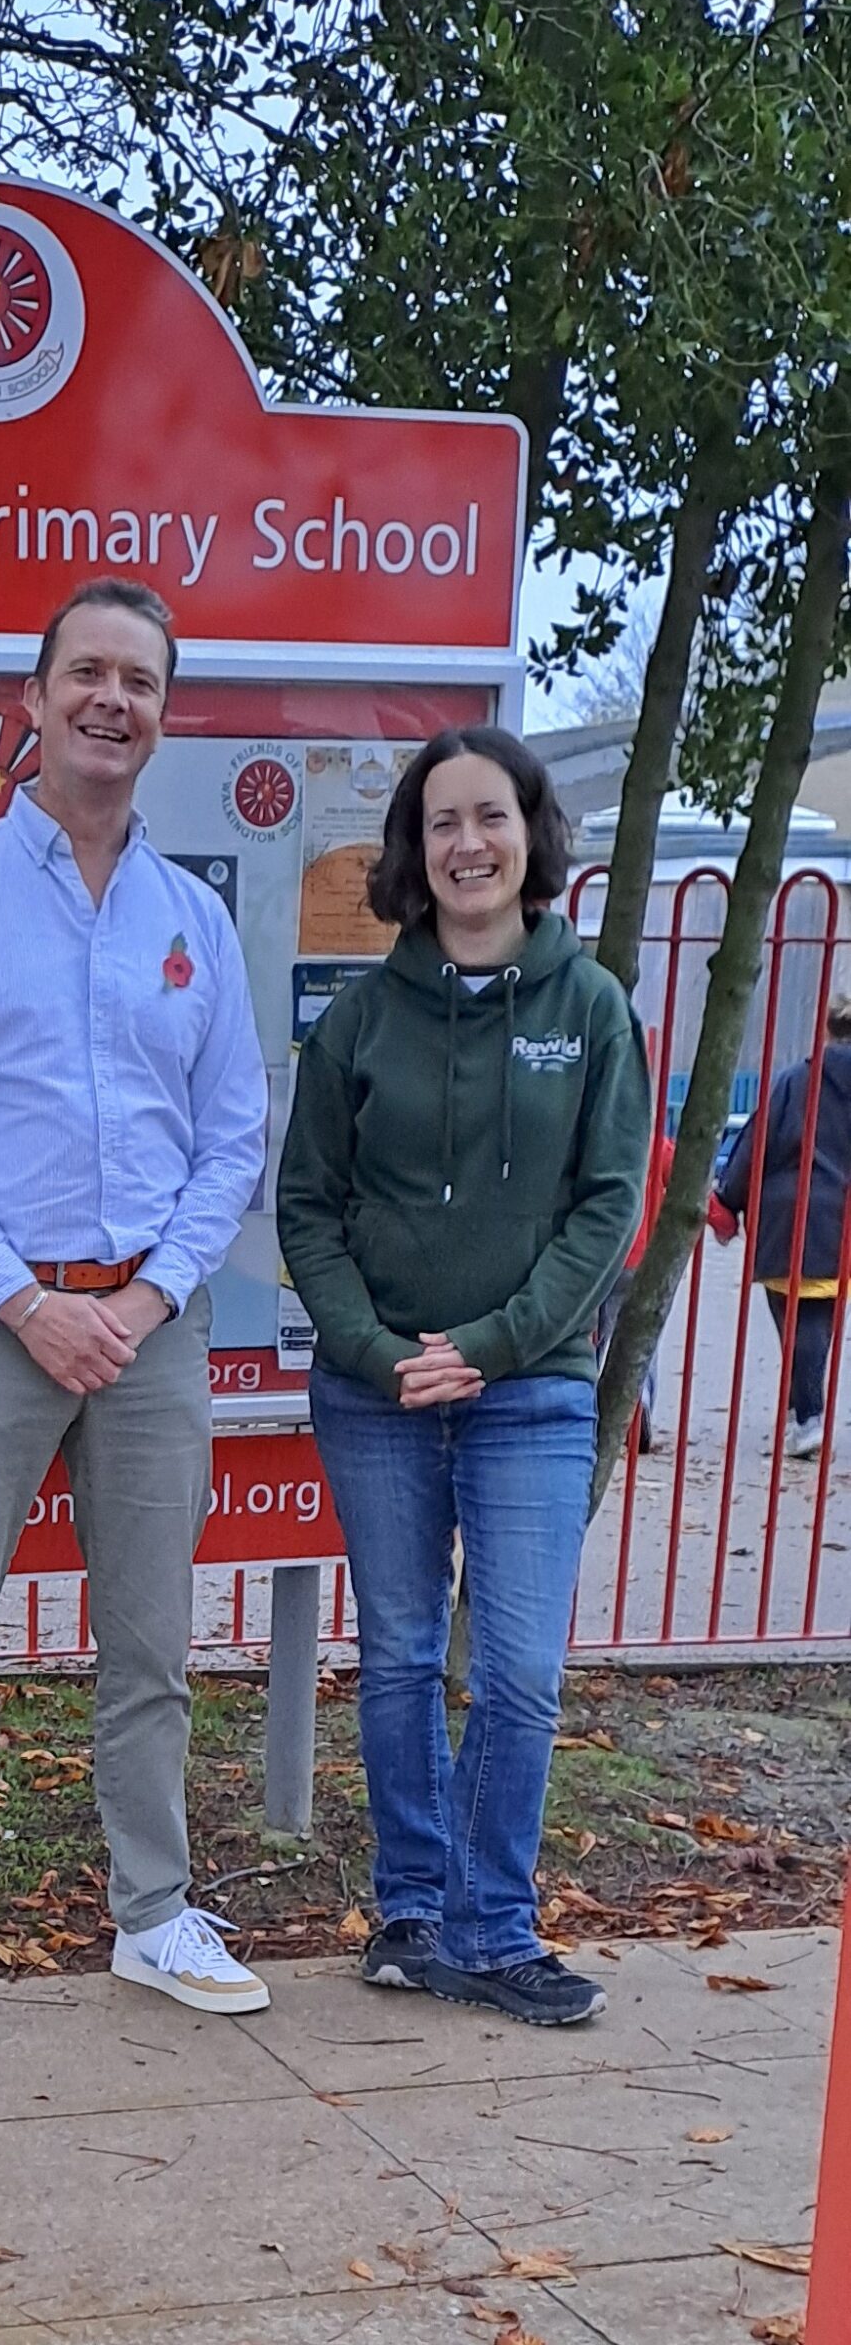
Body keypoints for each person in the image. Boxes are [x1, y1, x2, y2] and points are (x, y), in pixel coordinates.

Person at [0, 578, 269, 2041]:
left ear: (160, 714)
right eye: (83, 672)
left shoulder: (190, 918)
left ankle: (152, 1913)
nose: (110, 700)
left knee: (149, 1647)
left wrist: (144, 1299)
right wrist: (26, 1303)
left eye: (136, 680)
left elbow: (230, 1137)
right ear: (29, 704)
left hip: (148, 1334)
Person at [277, 726, 649, 2029]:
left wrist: (485, 1346)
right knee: (396, 1660)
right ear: (413, 849)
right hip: (373, 1396)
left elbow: (606, 1207)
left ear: (529, 833)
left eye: (488, 816)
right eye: (441, 822)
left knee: (519, 1674)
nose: (467, 843)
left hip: (532, 1390)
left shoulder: (591, 1005)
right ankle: (412, 1917)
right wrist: (378, 1352)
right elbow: (307, 1208)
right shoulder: (364, 1017)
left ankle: (495, 1931)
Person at [714, 992, 851, 1461]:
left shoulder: (798, 1080)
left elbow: (757, 1141)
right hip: (843, 1218)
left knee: (797, 1320)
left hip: (788, 1215)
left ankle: (808, 1416)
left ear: (829, 1028)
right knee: (821, 1317)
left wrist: (727, 1202)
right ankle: (804, 1414)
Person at [597, 1131, 674, 1453]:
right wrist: (722, 1219)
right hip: (642, 1257)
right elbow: (691, 1186)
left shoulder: (596, 1140)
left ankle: (588, 1408)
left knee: (593, 1336)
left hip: (598, 1257)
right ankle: (635, 1400)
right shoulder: (657, 1145)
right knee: (641, 1334)